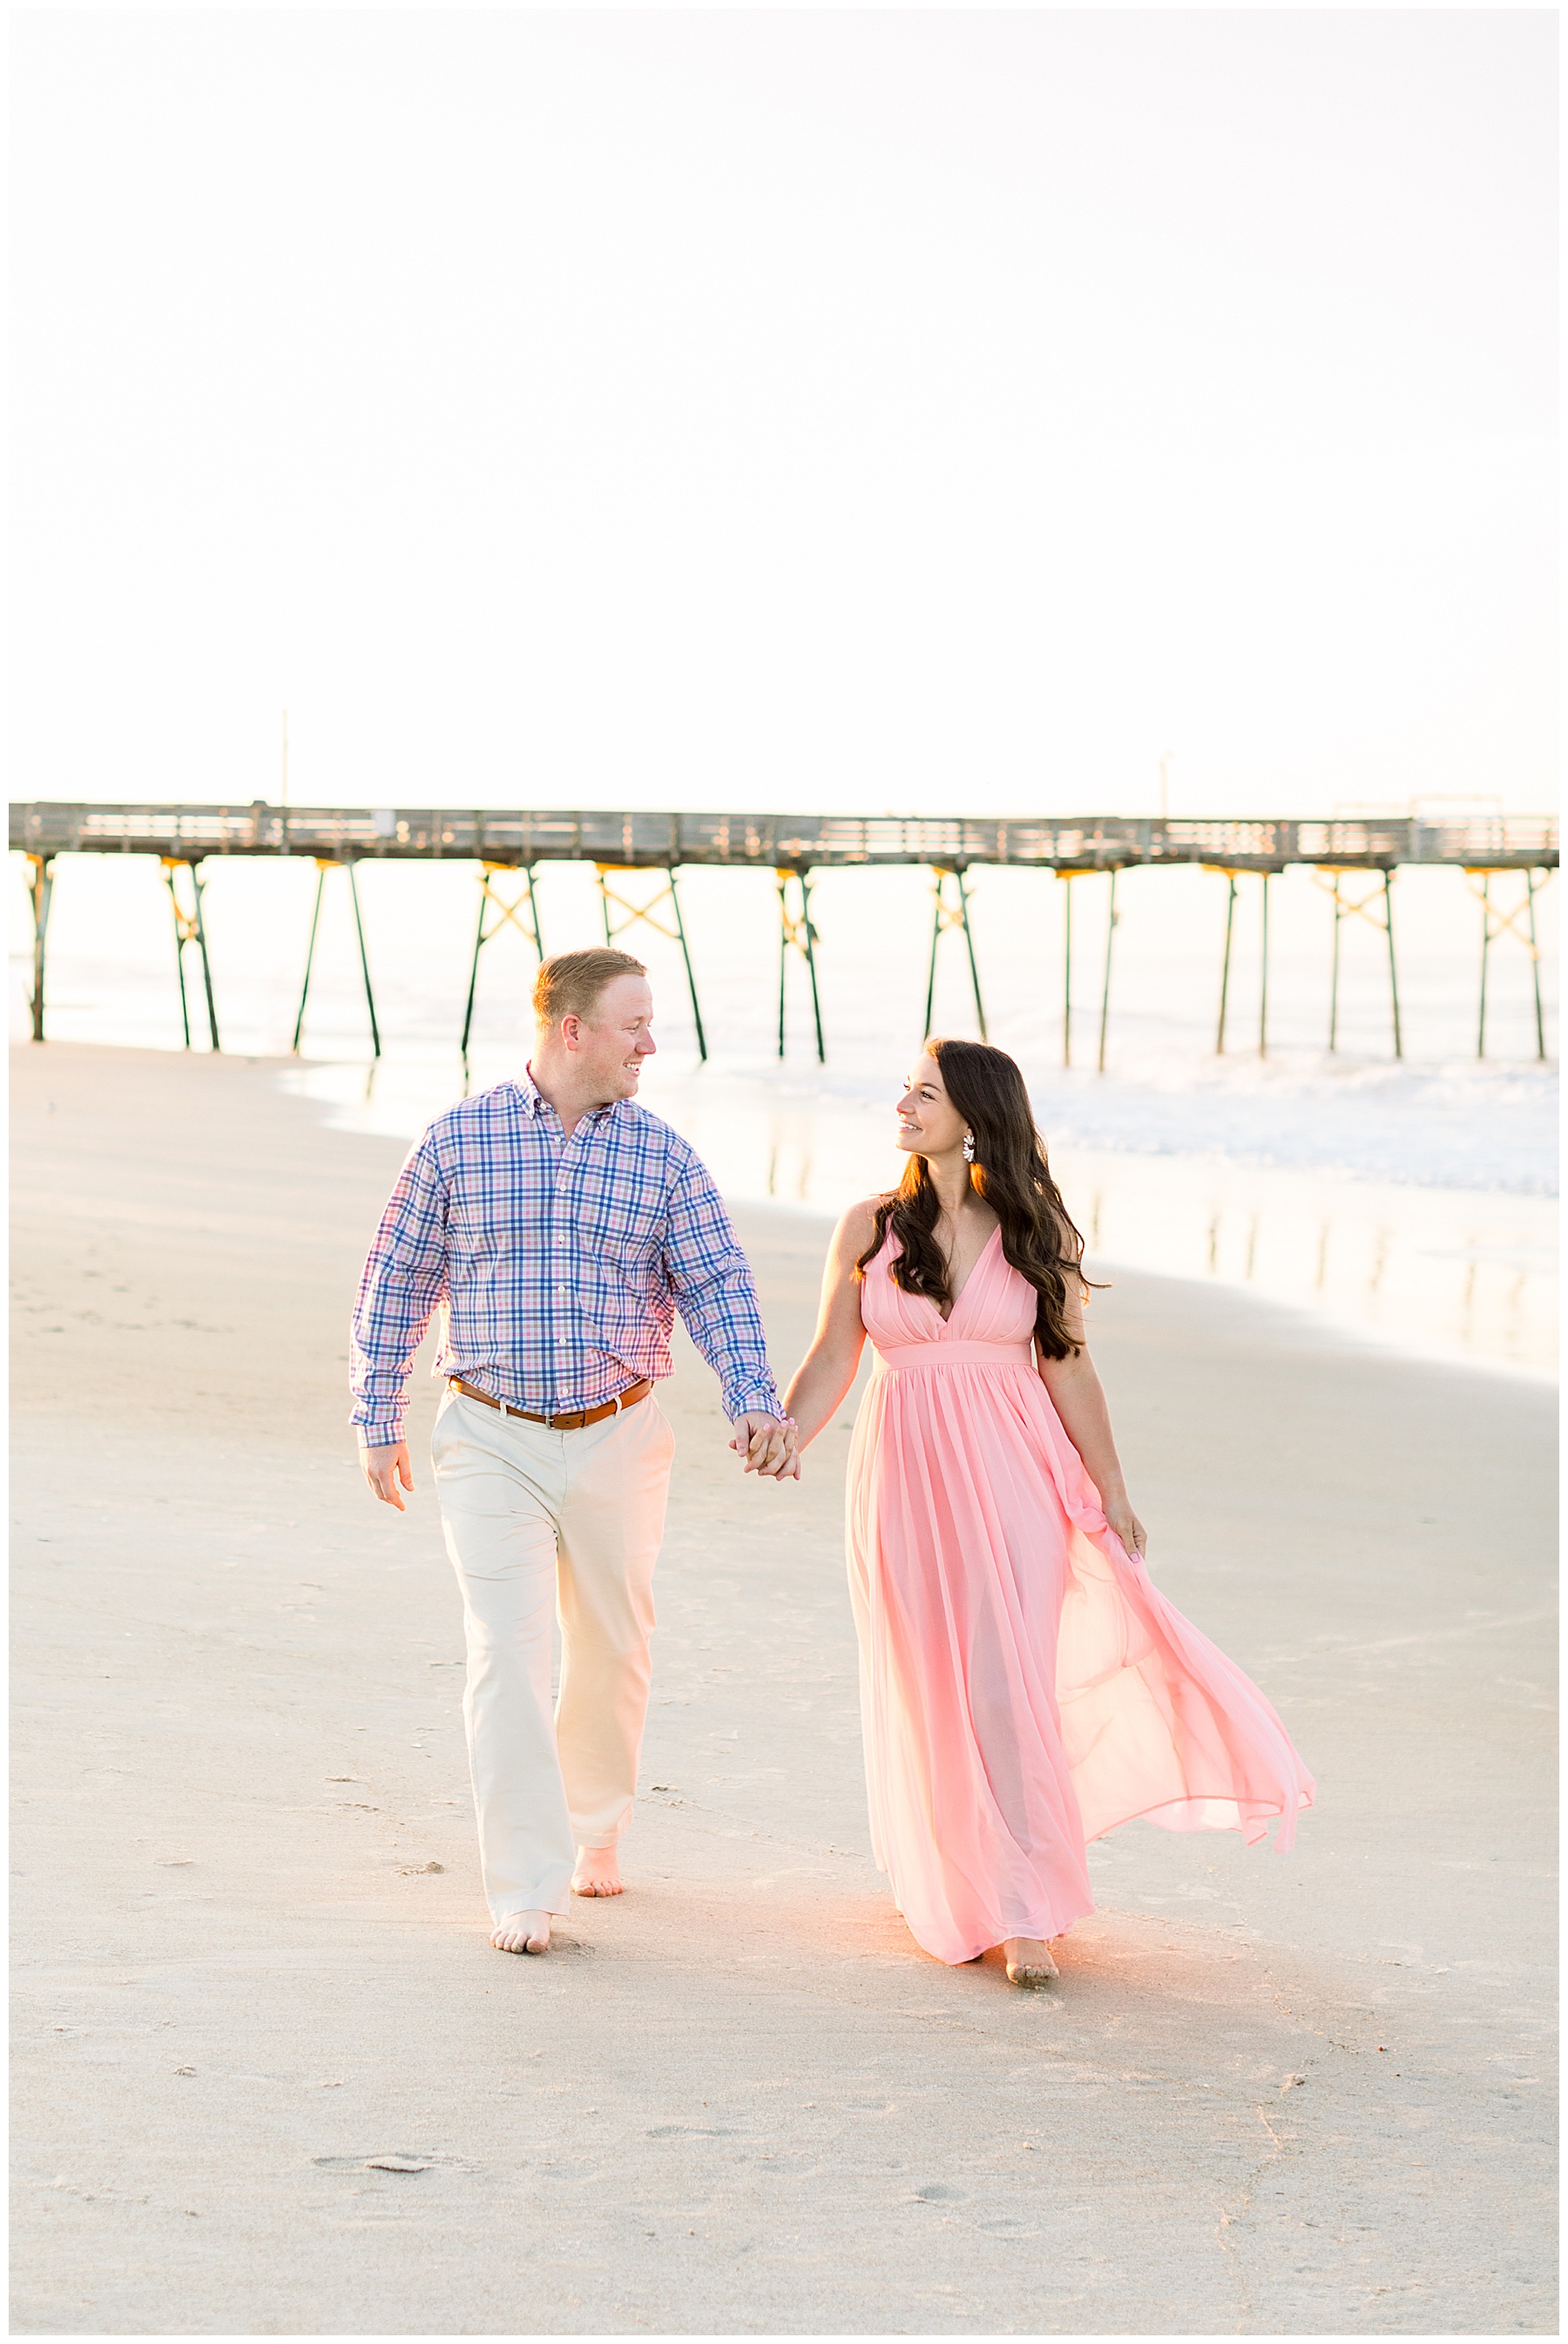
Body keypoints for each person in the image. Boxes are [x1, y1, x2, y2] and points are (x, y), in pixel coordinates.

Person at [780, 1036, 1314, 1986]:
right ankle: (958, 1885)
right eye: (905, 1088)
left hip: (1017, 1474)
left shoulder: (1036, 1231)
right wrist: (784, 1431)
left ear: (976, 1116)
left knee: (1005, 1681)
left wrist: (1111, 1489)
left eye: (924, 1092)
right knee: (925, 1678)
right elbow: (833, 1355)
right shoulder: (867, 1225)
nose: (902, 1104)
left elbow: (1068, 1364)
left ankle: (1024, 1907)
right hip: (902, 1477)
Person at [351, 947, 796, 1958]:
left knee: (611, 1644)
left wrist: (751, 1399)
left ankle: (594, 1825)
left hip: (620, 1430)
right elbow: (397, 1282)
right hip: (487, 1431)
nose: (651, 1042)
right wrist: (375, 1416)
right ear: (573, 1029)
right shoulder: (457, 1140)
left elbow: (717, 1286)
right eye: (634, 1023)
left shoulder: (664, 1156)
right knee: (505, 1651)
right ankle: (524, 1883)